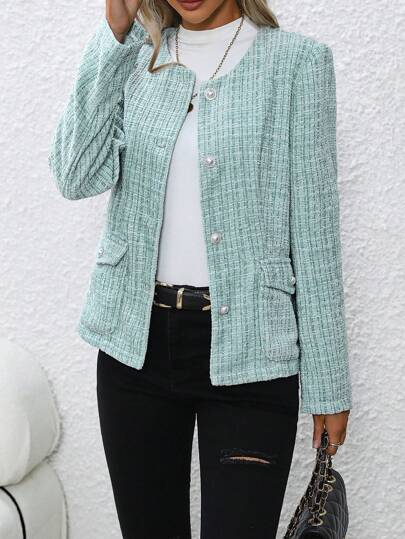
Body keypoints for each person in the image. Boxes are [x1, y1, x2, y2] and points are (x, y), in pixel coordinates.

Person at [48, 0, 353, 537]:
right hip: (134, 350)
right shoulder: (135, 58)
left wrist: (329, 385)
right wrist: (113, 34)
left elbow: (315, 231)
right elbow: (75, 175)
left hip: (252, 353)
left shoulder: (297, 64)